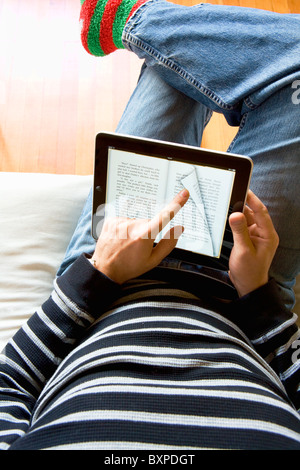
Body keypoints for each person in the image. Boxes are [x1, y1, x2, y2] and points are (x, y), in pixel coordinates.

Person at [0, 0, 300, 450]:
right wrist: (258, 293)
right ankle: (135, 19)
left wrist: (100, 272)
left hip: (110, 277)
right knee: (237, 63)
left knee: (173, 71)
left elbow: (10, 384)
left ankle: (130, 19)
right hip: (245, 285)